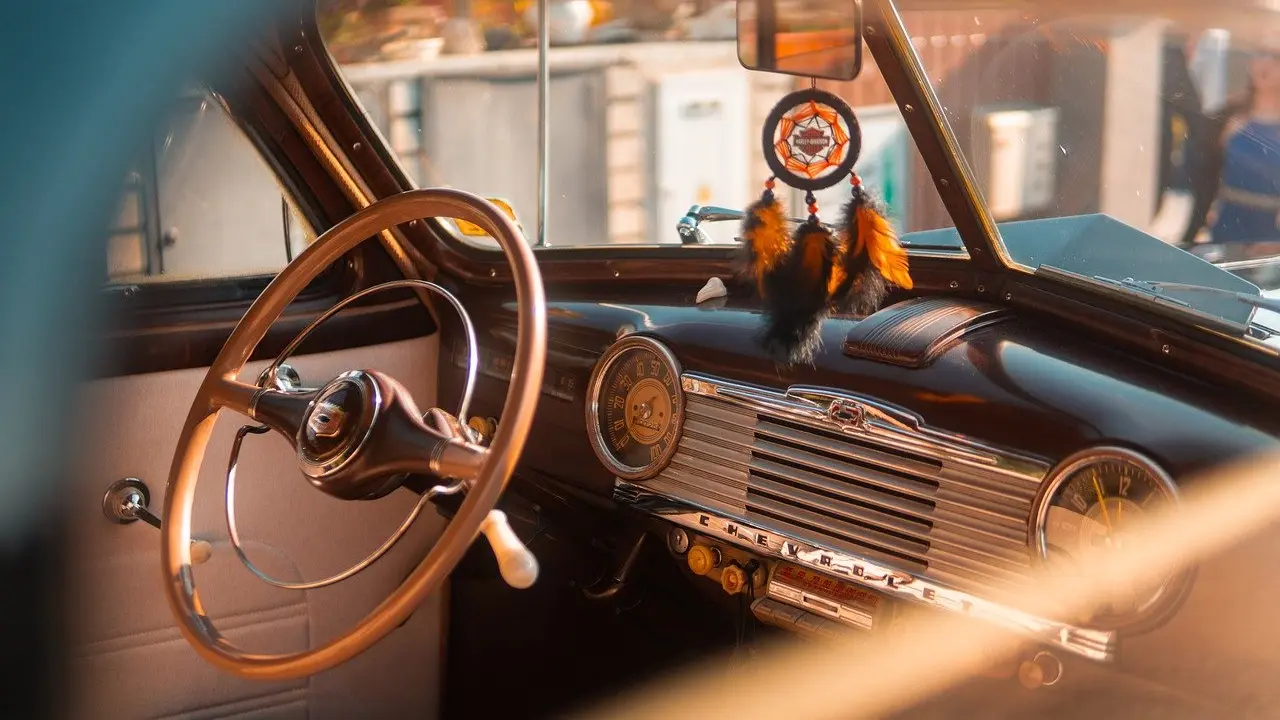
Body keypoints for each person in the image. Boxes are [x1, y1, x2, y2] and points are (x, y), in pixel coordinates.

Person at [1183, 34, 1280, 256]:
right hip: (1228, 226)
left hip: (1272, 234)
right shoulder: (1228, 115)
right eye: (1260, 53)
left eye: (1276, 57)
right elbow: (1204, 175)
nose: (1265, 63)